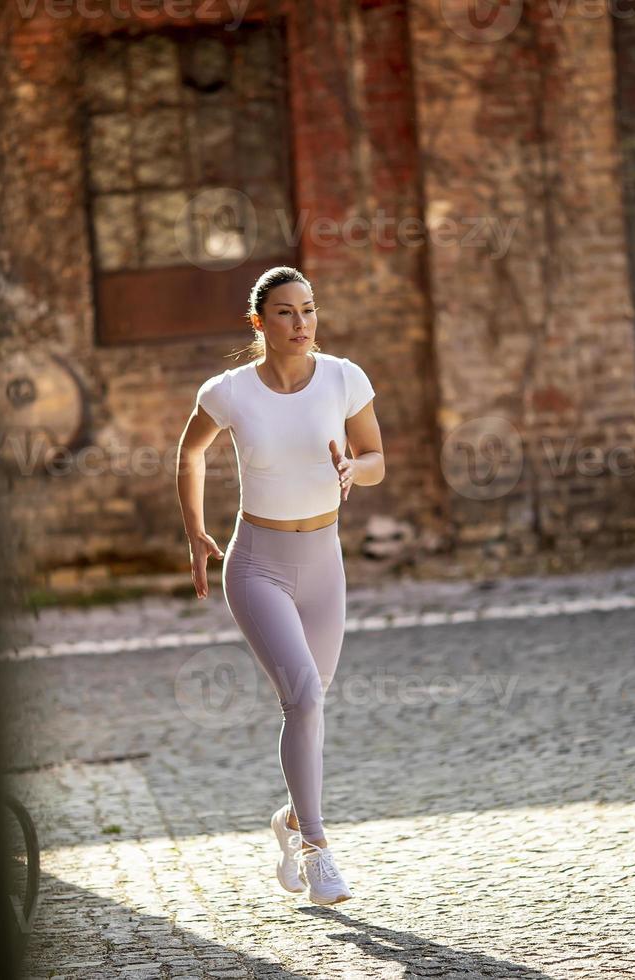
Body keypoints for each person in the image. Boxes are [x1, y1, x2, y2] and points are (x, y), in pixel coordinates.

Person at [175, 265, 385, 905]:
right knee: (303, 700)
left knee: (312, 702)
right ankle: (320, 849)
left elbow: (377, 458)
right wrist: (195, 533)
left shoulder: (345, 378)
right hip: (257, 564)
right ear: (259, 321)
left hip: (325, 563)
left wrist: (354, 466)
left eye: (310, 310)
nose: (303, 323)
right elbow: (189, 454)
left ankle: (290, 819)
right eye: (288, 312)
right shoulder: (231, 391)